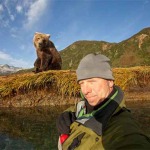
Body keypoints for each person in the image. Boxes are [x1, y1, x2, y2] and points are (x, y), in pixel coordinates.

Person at [56, 53, 150, 150]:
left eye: (91, 81)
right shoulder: (85, 105)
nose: (85, 90)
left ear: (110, 82)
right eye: (81, 83)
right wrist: (67, 113)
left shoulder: (123, 129)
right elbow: (79, 106)